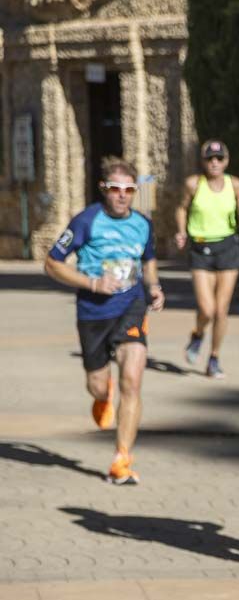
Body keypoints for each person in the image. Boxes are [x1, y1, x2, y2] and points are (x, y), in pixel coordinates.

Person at [44, 156, 166, 485]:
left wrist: (154, 288)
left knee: (133, 380)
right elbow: (52, 263)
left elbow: (148, 260)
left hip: (131, 306)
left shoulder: (143, 224)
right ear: (104, 190)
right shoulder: (85, 222)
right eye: (115, 189)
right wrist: (93, 283)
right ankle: (102, 393)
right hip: (93, 312)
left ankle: (122, 458)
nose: (123, 195)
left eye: (129, 189)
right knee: (98, 385)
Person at [175, 139, 239, 379]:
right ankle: (198, 335)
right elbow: (181, 208)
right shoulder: (193, 184)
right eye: (210, 158)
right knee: (207, 309)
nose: (215, 163)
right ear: (203, 161)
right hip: (201, 248)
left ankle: (214, 358)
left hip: (228, 247)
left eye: (219, 158)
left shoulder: (235, 185)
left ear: (227, 161)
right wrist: (181, 231)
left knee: (221, 310)